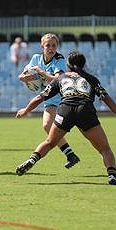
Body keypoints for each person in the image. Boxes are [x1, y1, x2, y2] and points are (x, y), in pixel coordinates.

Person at [15, 51, 116, 185]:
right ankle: (113, 175)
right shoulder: (91, 79)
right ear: (83, 64)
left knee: (50, 142)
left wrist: (26, 110)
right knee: (104, 149)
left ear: (68, 65)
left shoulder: (60, 78)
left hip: (65, 109)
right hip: (85, 110)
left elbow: (40, 97)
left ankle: (32, 160)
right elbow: (106, 98)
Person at [18, 33, 80, 169]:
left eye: (54, 45)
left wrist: (41, 72)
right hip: (49, 98)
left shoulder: (59, 59)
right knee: (47, 125)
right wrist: (29, 78)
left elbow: (57, 80)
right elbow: (21, 76)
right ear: (42, 46)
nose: (51, 48)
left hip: (63, 97)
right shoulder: (36, 58)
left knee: (56, 128)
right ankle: (70, 154)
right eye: (48, 45)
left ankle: (71, 154)